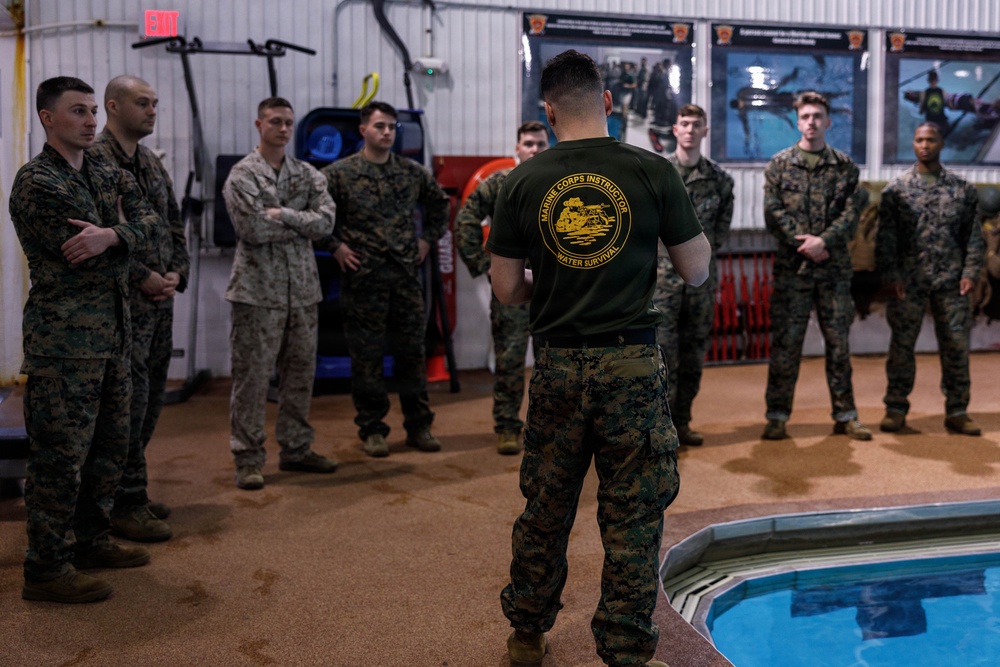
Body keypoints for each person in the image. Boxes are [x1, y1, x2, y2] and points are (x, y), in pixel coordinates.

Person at [487, 49, 710, 667]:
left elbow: (506, 290)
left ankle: (527, 633)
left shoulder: (519, 182)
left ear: (548, 110)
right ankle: (625, 650)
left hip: (557, 365)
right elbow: (695, 272)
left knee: (547, 505)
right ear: (608, 102)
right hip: (632, 367)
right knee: (633, 512)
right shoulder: (654, 171)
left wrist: (551, 285)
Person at [10, 76, 160, 603]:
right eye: (78, 110)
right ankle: (46, 568)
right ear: (48, 118)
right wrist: (112, 237)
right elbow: (77, 251)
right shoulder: (36, 182)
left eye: (95, 110)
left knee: (108, 449)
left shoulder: (104, 167)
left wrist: (112, 234)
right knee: (59, 456)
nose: (92, 120)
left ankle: (92, 541)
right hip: (65, 343)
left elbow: (151, 224)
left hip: (114, 336)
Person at [319, 101, 450, 458]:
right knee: (367, 358)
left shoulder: (411, 173)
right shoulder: (339, 175)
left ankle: (419, 426)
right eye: (380, 126)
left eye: (392, 127)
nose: (387, 132)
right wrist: (334, 246)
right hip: (363, 280)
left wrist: (426, 240)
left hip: (405, 278)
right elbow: (313, 216)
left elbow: (440, 206)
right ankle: (373, 429)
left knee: (411, 354)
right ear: (363, 130)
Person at [89, 75, 189, 541]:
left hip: (159, 306)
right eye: (142, 103)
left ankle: (129, 491)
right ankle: (121, 503)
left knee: (148, 407)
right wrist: (142, 276)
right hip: (121, 309)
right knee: (123, 409)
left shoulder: (149, 162)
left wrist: (176, 274)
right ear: (113, 106)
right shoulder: (94, 161)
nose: (152, 110)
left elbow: (173, 222)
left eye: (155, 103)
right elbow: (94, 236)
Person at [223, 97, 338, 490]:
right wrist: (301, 222)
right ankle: (248, 458)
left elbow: (325, 223)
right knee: (252, 380)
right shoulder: (243, 175)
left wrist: (283, 214)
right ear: (259, 125)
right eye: (275, 121)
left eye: (289, 122)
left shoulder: (306, 173)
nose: (284, 128)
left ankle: (296, 449)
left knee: (300, 377)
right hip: (257, 294)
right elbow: (252, 229)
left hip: (303, 292)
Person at [762, 91, 871, 441]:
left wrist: (824, 241)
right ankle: (777, 415)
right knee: (786, 345)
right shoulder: (779, 164)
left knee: (838, 345)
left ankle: (846, 414)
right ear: (797, 120)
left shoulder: (845, 167)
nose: (811, 122)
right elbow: (773, 213)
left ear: (828, 121)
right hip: (793, 271)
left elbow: (851, 214)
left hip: (833, 270)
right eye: (805, 116)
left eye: (817, 116)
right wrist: (805, 243)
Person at [876, 122, 985, 435]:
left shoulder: (962, 191)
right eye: (919, 140)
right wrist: (891, 274)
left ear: (941, 144)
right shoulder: (896, 191)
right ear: (913, 144)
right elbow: (886, 241)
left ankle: (957, 410)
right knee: (901, 347)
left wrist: (970, 273)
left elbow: (974, 238)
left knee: (955, 347)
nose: (924, 145)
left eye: (931, 140)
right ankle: (895, 408)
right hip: (908, 283)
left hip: (951, 281)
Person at [454, 120, 549, 455]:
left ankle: (547, 429)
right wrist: (485, 268)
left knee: (552, 361)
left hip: (550, 288)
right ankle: (508, 427)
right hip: (511, 287)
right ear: (517, 148)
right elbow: (465, 220)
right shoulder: (499, 184)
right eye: (529, 144)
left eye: (540, 143)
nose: (535, 149)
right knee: (509, 360)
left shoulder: (557, 183)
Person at [653, 104, 734, 446]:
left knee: (693, 355)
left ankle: (682, 422)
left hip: (700, 284)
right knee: (661, 356)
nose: (689, 130)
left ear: (705, 131)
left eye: (696, 124)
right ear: (675, 129)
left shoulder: (720, 180)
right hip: (663, 283)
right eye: (684, 123)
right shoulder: (657, 173)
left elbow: (719, 233)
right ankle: (660, 426)